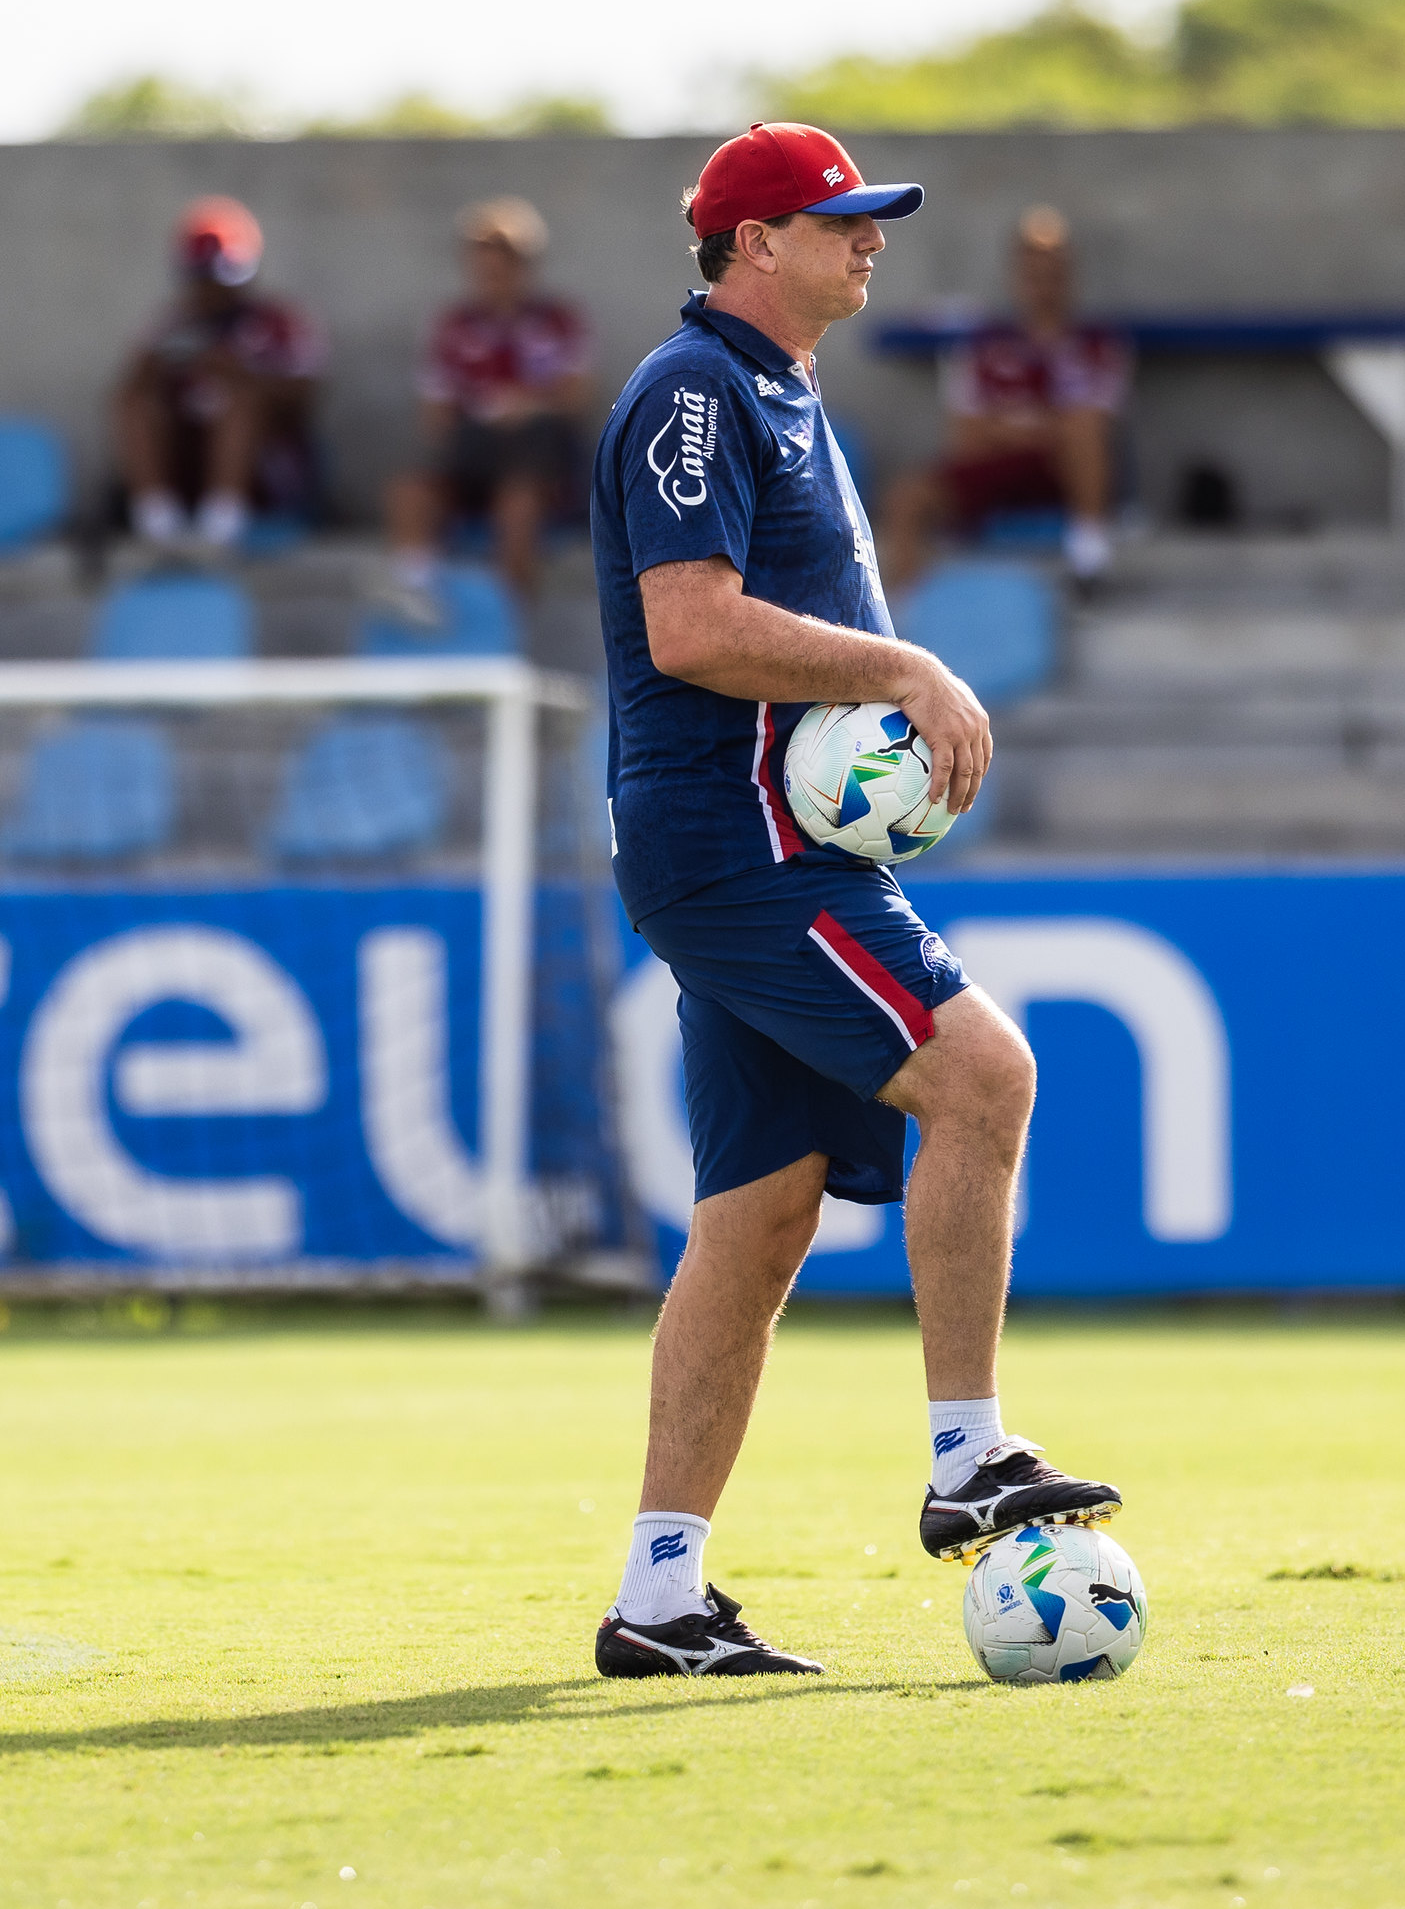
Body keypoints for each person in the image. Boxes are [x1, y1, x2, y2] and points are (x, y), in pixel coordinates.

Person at [589, 122, 1122, 1679]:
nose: (869, 239)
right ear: (754, 242)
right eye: (840, 220)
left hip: (762, 837)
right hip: (741, 835)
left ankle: (661, 1594)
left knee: (756, 1223)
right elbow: (687, 628)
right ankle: (970, 1454)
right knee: (988, 1072)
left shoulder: (780, 388)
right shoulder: (693, 389)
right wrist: (904, 665)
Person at [880, 206, 1131, 589]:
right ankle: (901, 620)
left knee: (1085, 432)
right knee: (906, 497)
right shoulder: (980, 347)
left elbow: (1094, 426)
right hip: (995, 469)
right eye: (1034, 271)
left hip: (1063, 475)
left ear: (1070, 275)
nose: (1044, 282)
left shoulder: (1099, 345)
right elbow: (965, 437)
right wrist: (1047, 426)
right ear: (1017, 275)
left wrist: (1012, 424)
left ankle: (1089, 566)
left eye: (1054, 271)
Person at [377, 197, 592, 622]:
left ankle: (510, 626)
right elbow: (434, 413)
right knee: (409, 493)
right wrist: (480, 418)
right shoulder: (453, 326)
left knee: (518, 505)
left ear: (524, 268)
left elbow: (577, 399)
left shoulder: (559, 322)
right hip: (473, 453)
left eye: (501, 269)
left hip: (541, 460)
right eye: (482, 269)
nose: (490, 280)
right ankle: (415, 595)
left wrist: (525, 406)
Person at [114, 196, 326, 554]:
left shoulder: (281, 322)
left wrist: (237, 373)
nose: (210, 291)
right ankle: (157, 523)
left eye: (218, 279)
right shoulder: (171, 321)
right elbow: (127, 394)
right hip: (185, 467)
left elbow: (307, 400)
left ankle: (220, 529)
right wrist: (155, 365)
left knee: (241, 401)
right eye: (201, 279)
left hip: (263, 473)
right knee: (137, 401)